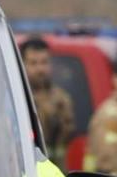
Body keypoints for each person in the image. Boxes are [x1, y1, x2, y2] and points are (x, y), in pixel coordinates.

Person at [22, 37, 76, 167]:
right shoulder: (18, 101)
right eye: (33, 63)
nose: (40, 69)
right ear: (22, 64)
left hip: (56, 174)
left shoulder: (62, 99)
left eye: (44, 62)